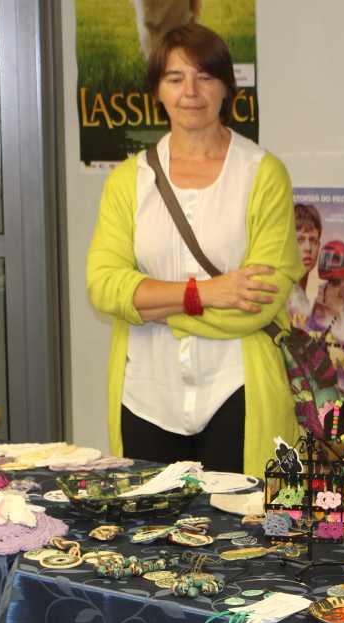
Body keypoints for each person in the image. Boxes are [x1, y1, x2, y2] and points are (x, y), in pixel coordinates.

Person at [86, 23, 302, 476]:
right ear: (157, 91)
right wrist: (206, 293)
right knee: (149, 518)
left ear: (226, 87)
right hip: (145, 395)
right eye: (175, 78)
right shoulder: (128, 181)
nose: (191, 92)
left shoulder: (263, 175)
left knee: (242, 517)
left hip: (236, 390)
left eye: (205, 76)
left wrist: (148, 305)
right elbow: (104, 288)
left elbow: (258, 305)